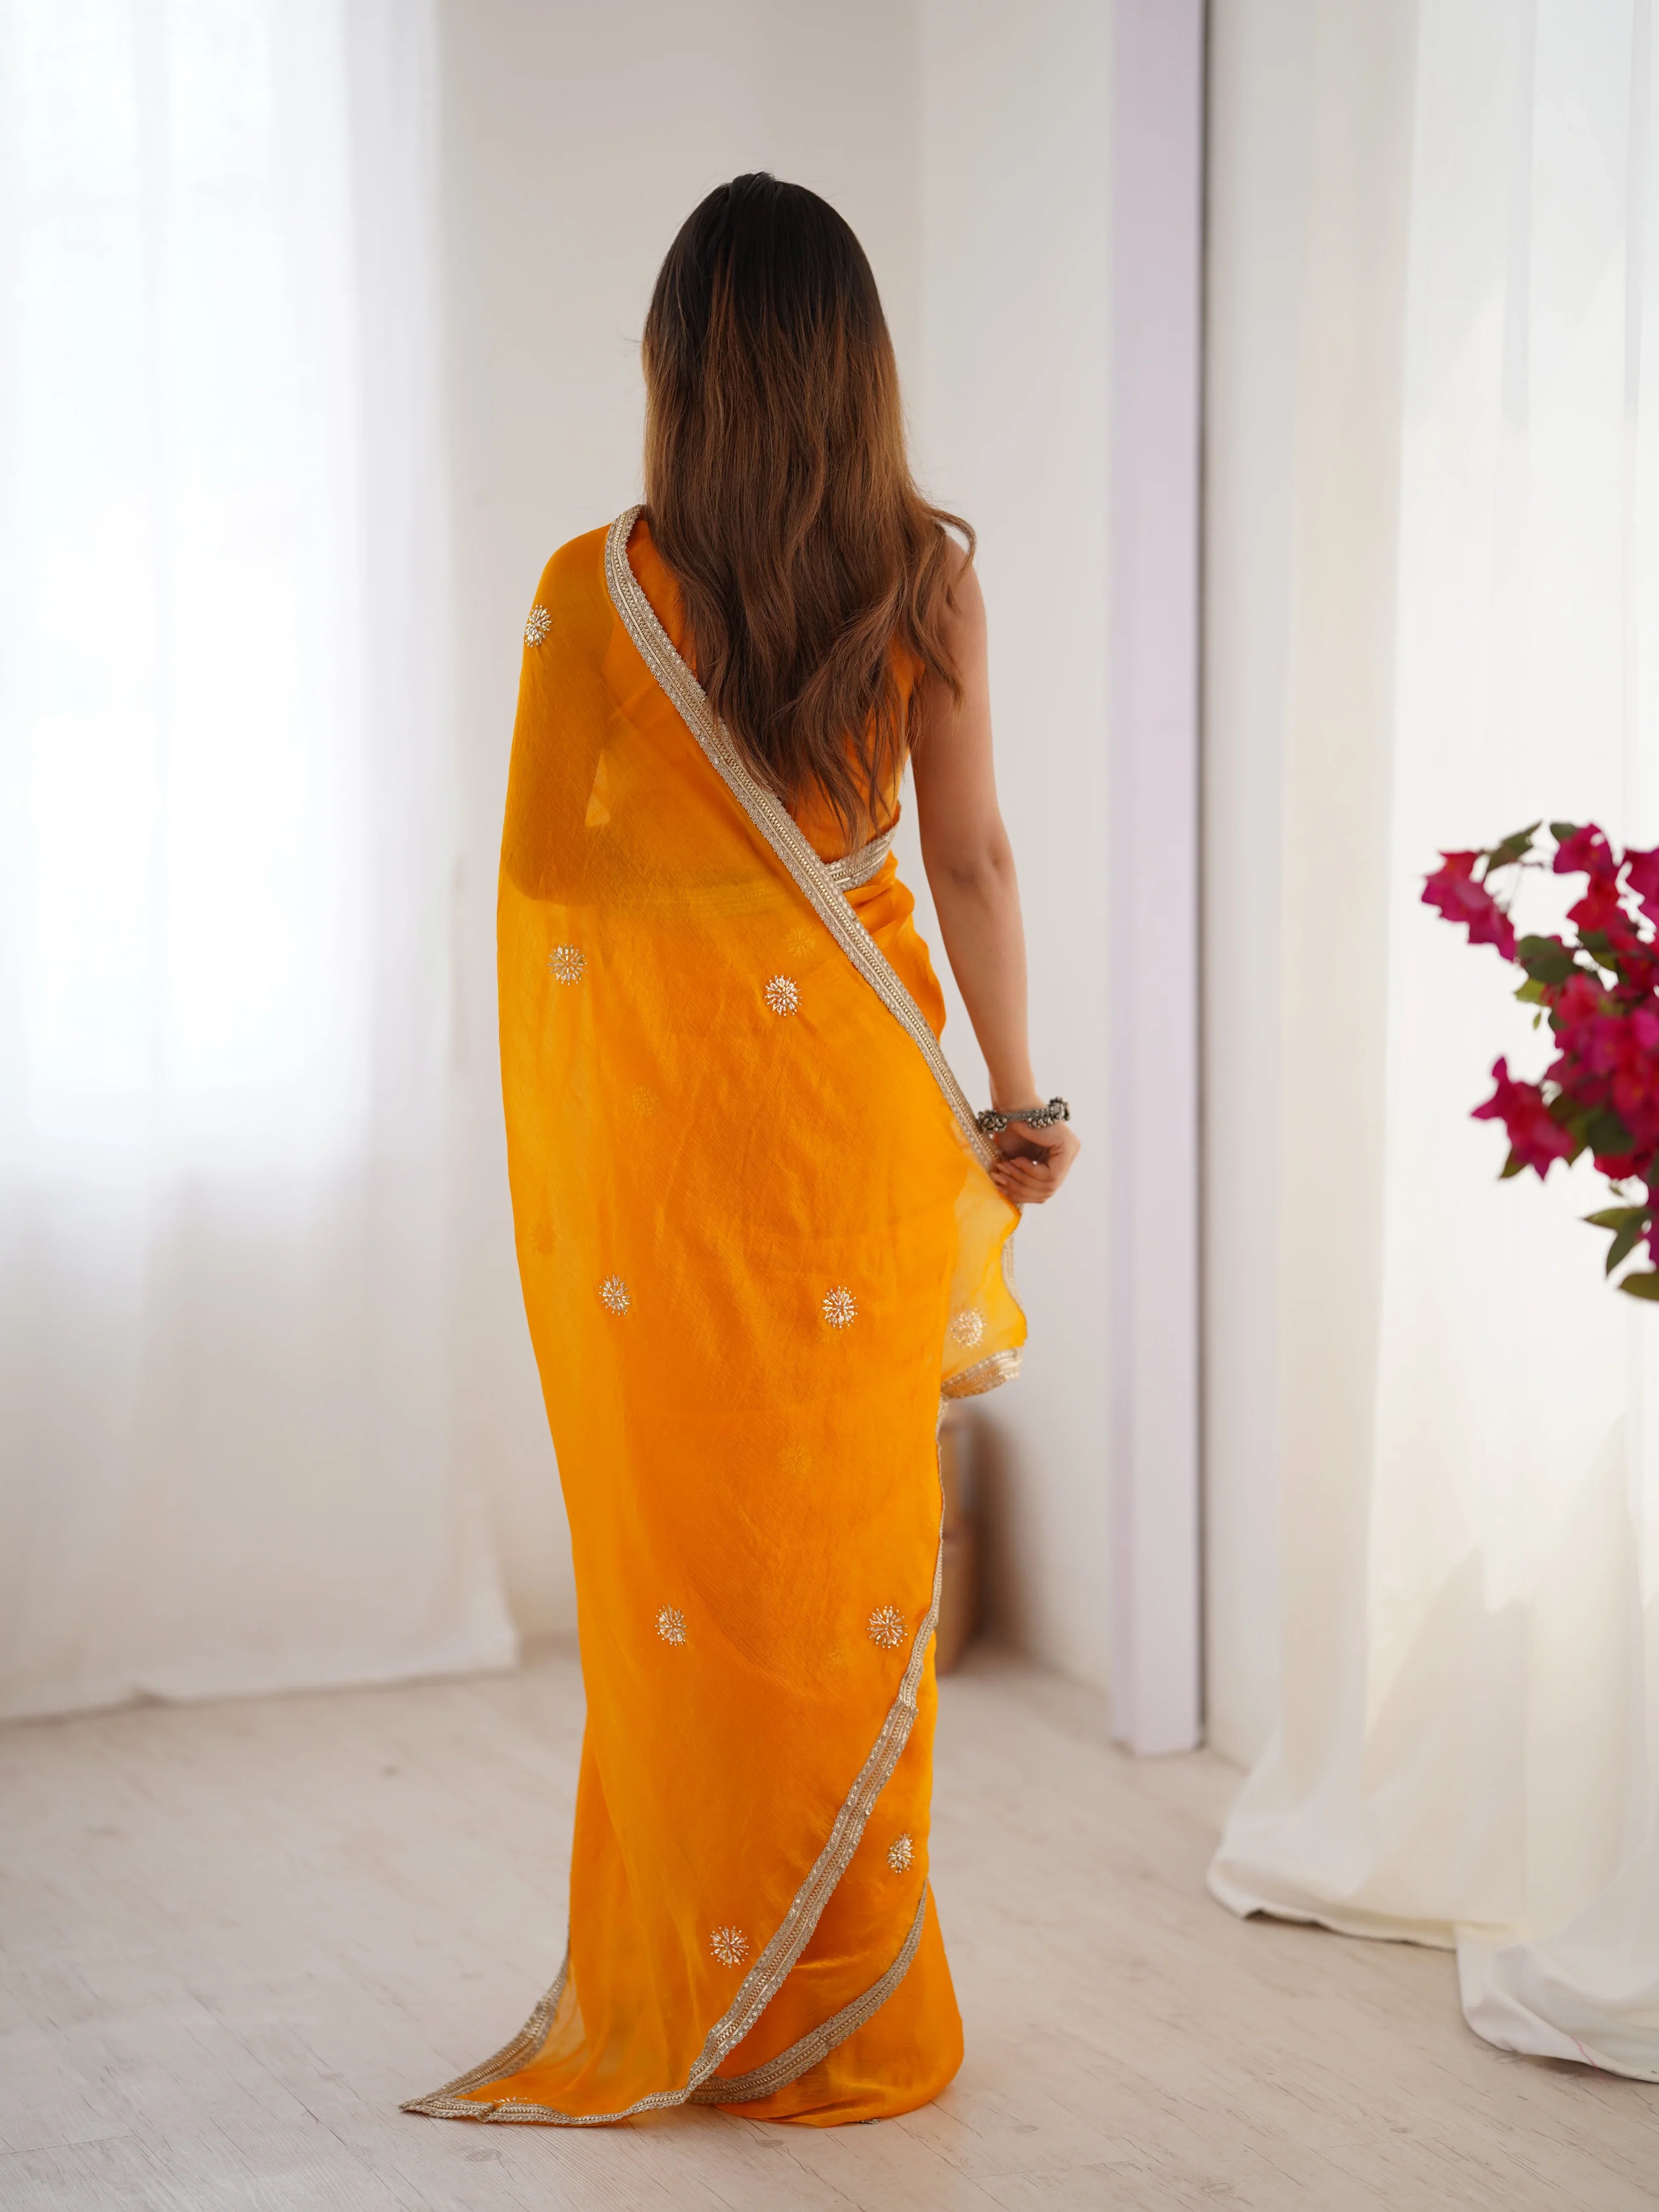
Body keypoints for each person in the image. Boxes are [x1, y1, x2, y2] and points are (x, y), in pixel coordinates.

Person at [403, 171, 1078, 2133]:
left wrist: (704, 892)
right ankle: (845, 2007)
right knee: (850, 1561)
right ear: (857, 370)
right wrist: (1018, 1099)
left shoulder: (590, 588)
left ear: (674, 370)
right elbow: (968, 853)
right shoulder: (927, 570)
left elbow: (552, 880)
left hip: (690, 1157)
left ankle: (708, 1964)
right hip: (861, 1129)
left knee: (695, 1565)